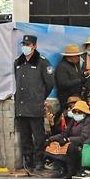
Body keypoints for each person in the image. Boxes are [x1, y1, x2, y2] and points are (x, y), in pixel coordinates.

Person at [14, 35, 55, 172]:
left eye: (28, 44)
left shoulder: (42, 62)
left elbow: (50, 83)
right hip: (21, 105)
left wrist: (39, 96)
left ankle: (39, 161)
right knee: (25, 136)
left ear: (34, 46)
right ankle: (28, 161)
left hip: (35, 106)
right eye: (24, 44)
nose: (25, 47)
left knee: (38, 136)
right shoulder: (18, 62)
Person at [47, 100, 90, 179]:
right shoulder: (73, 120)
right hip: (71, 141)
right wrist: (51, 139)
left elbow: (84, 137)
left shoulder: (89, 121)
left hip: (82, 144)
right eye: (75, 111)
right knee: (54, 144)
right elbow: (64, 133)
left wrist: (68, 139)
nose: (76, 113)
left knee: (70, 147)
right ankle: (61, 169)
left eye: (79, 112)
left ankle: (71, 171)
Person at [54, 44, 85, 115]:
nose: (79, 57)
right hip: (66, 100)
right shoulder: (62, 67)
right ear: (70, 57)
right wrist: (79, 81)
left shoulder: (73, 66)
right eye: (77, 56)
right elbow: (62, 84)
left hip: (74, 98)